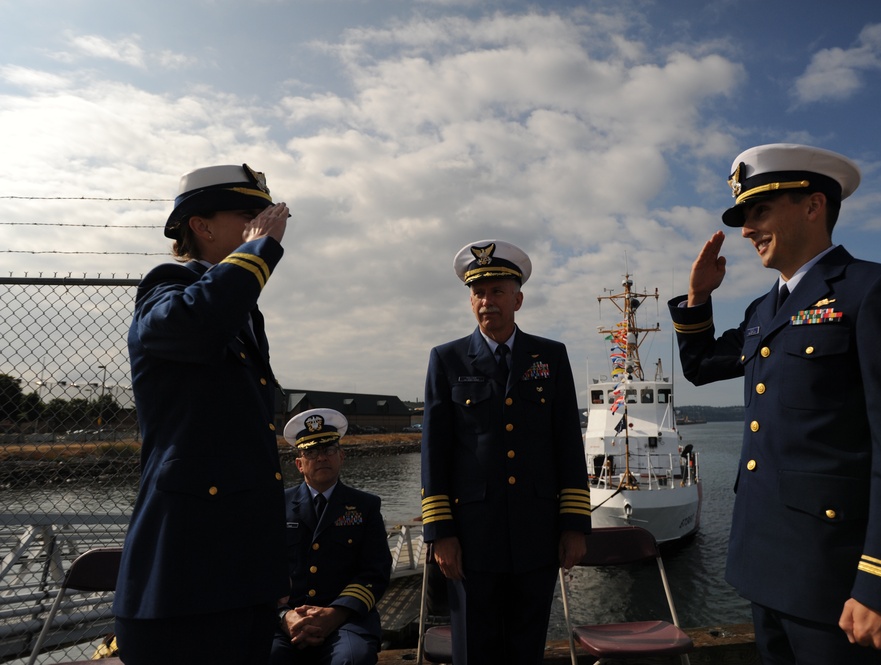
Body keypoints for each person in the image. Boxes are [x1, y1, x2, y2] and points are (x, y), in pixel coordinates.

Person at [668, 144, 881, 664]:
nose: (747, 229)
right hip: (765, 570)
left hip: (840, 583)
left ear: (813, 205)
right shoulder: (763, 309)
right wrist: (697, 299)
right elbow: (702, 367)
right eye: (744, 217)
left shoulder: (879, 291)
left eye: (759, 211)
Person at [113, 164, 291, 665]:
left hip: (242, 571)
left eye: (266, 216)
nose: (266, 222)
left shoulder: (241, 313)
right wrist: (258, 250)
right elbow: (193, 326)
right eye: (248, 214)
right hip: (185, 577)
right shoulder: (166, 287)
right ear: (202, 226)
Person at [420, 239, 592, 665]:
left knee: (525, 646)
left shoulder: (551, 357)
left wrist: (574, 525)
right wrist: (441, 533)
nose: (486, 301)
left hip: (537, 533)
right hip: (472, 538)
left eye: (497, 291)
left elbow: (567, 440)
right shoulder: (447, 360)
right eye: (478, 293)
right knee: (474, 649)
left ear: (518, 298)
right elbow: (434, 451)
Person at [271, 408, 392, 665]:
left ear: (341, 456)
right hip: (287, 619)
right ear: (299, 464)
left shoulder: (365, 507)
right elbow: (261, 569)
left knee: (352, 659)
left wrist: (333, 614)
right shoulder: (275, 506)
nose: (321, 458)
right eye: (311, 452)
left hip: (346, 619)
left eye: (328, 450)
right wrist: (285, 616)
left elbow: (376, 571)